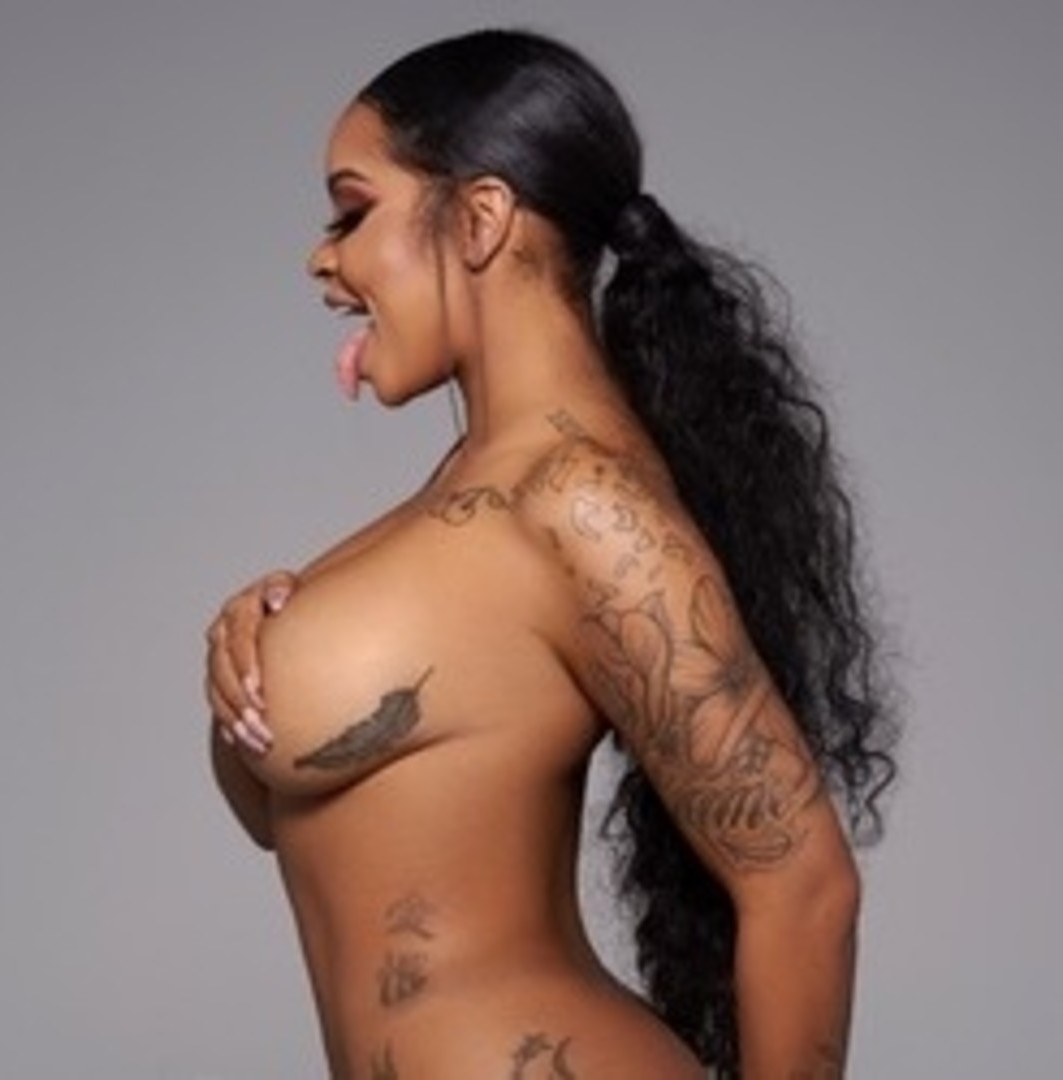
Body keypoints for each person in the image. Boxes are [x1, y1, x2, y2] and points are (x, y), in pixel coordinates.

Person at [204, 28, 897, 1080]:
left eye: (352, 212)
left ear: (480, 218)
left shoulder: (581, 500)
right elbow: (288, 816)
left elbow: (804, 885)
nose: (323, 258)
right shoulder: (478, 485)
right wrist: (242, 666)